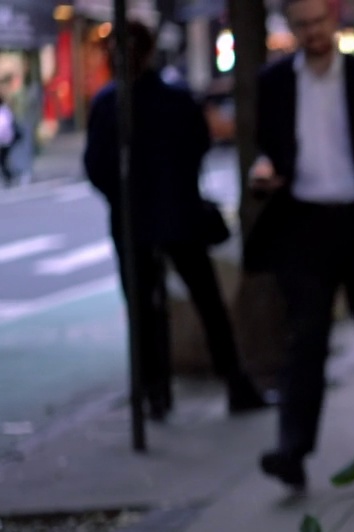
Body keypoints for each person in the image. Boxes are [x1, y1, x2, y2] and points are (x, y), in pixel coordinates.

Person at [248, 0, 354, 491]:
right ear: (291, 28)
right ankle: (292, 450)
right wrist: (265, 175)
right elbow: (270, 147)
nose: (312, 33)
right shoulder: (275, 82)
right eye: (301, 26)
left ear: (334, 21)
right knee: (303, 340)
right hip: (304, 224)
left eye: (318, 22)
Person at [83, 20, 267, 420]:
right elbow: (195, 147)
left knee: (148, 310)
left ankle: (155, 390)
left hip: (145, 218)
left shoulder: (112, 103)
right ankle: (227, 380)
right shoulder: (168, 100)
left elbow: (97, 166)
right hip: (175, 215)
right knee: (203, 302)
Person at [0, 93, 17, 186]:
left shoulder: (3, 111)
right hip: (6, 139)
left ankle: (10, 177)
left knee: (3, 160)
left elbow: (4, 127)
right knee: (4, 160)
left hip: (6, 139)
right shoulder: (5, 110)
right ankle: (9, 177)